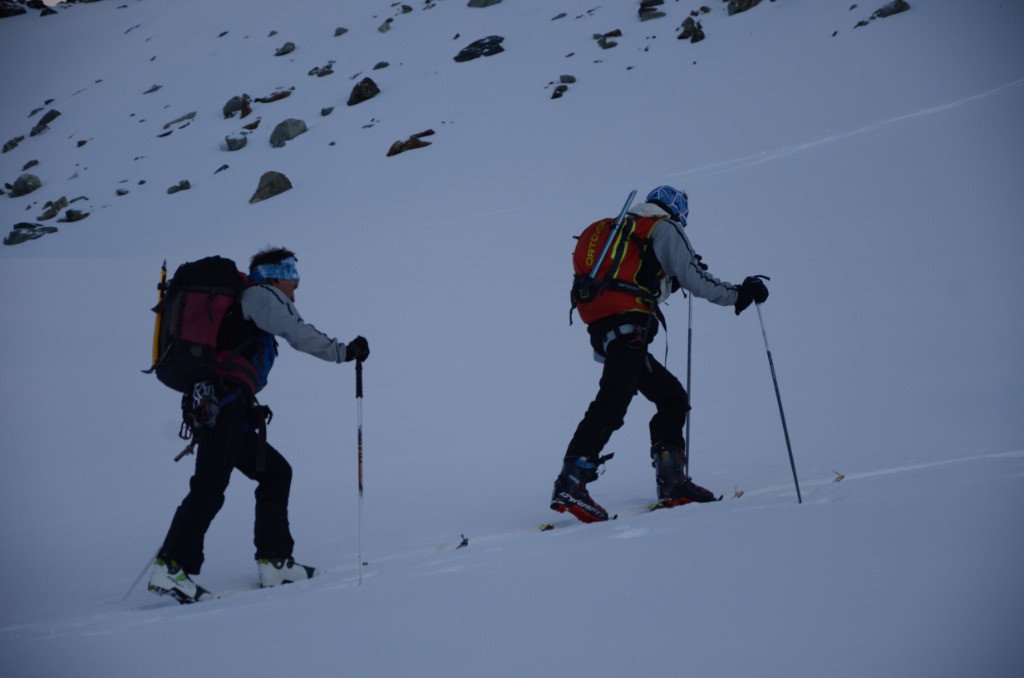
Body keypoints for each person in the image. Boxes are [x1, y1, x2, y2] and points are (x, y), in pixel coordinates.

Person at [148, 247, 370, 603]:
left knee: (275, 472)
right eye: (292, 282)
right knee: (209, 485)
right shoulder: (260, 295)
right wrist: (343, 352)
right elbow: (297, 333)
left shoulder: (247, 299)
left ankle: (275, 562)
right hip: (224, 403)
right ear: (277, 275)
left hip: (225, 404)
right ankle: (171, 565)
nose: (294, 291)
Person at [552, 186, 768, 523]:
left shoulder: (615, 230)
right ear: (676, 212)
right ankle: (572, 480)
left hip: (605, 331)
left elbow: (626, 279)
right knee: (612, 402)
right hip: (631, 329)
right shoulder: (662, 227)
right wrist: (739, 294)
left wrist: (666, 281)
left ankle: (672, 483)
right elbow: (695, 278)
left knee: (671, 398)